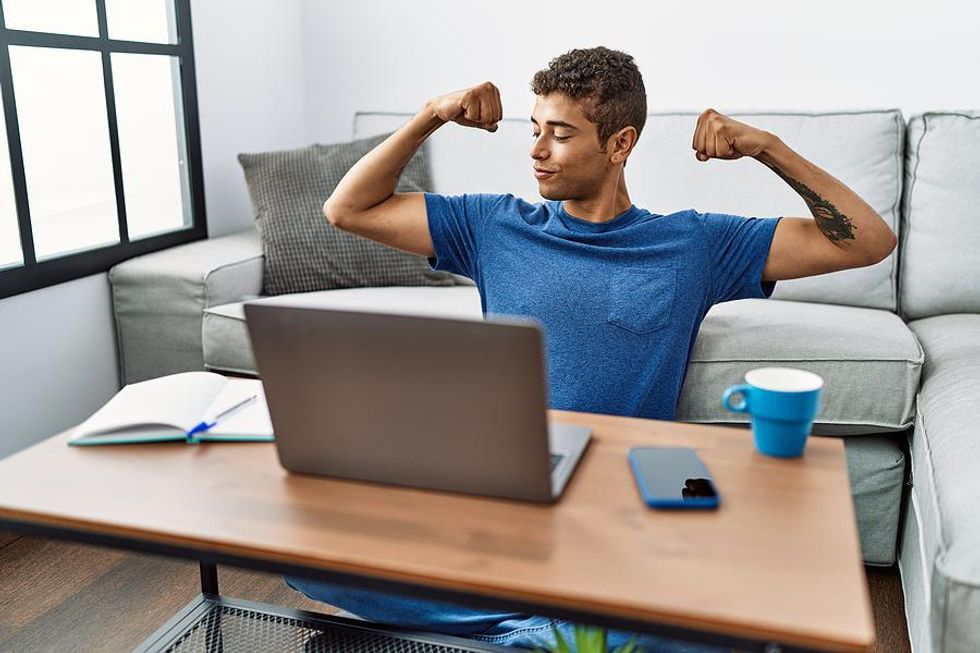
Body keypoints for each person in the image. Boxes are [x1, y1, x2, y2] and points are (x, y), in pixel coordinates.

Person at [286, 46, 897, 652]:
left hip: (626, 494)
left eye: (559, 134)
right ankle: (549, 630)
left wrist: (768, 148)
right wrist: (430, 115)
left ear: (619, 144)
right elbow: (347, 209)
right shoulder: (492, 226)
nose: (536, 151)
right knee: (306, 559)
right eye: (533, 130)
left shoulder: (694, 244)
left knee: (753, 620)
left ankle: (526, 626)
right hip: (511, 484)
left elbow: (866, 241)